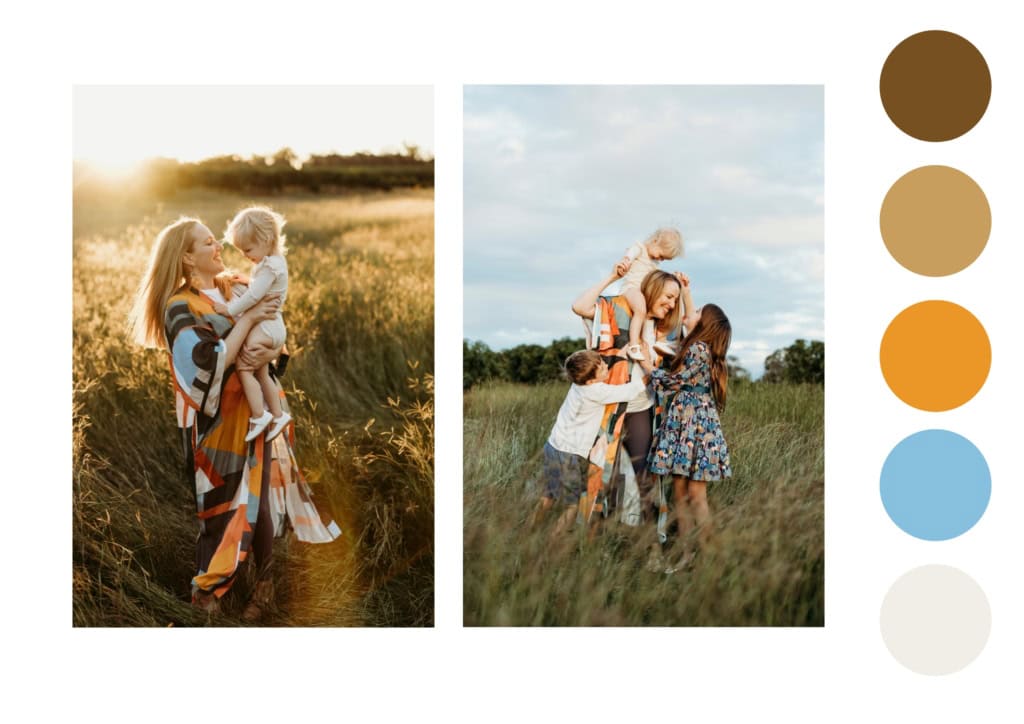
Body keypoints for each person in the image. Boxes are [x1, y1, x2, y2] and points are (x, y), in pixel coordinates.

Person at [128, 216, 340, 621]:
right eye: (207, 243)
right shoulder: (180, 307)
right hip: (218, 424)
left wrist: (267, 346)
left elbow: (272, 333)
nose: (218, 246)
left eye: (214, 239)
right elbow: (205, 363)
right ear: (187, 258)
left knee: (261, 505)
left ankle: (264, 587)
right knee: (219, 507)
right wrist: (247, 320)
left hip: (261, 410)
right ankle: (210, 593)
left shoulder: (237, 284)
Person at [570, 264, 698, 522]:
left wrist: (685, 293)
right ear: (652, 290)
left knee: (645, 475)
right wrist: (613, 278)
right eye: (668, 297)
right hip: (608, 409)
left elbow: (693, 332)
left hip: (640, 409)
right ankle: (600, 539)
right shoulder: (619, 312)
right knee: (604, 474)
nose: (672, 305)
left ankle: (650, 543)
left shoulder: (666, 329)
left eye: (675, 299)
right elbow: (580, 307)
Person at [646, 303, 732, 572]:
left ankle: (707, 556)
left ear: (703, 324)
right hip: (694, 426)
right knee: (684, 495)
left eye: (698, 313)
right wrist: (684, 289)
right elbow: (689, 317)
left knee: (692, 497)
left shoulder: (697, 349)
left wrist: (646, 366)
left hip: (690, 426)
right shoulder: (703, 349)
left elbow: (674, 381)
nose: (691, 313)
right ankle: (690, 557)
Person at [536, 349, 647, 534]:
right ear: (591, 380)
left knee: (548, 495)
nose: (606, 367)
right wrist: (649, 375)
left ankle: (529, 530)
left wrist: (621, 352)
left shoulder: (578, 384)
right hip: (567, 453)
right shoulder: (596, 391)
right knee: (572, 506)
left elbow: (601, 369)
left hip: (552, 446)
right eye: (602, 367)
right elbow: (628, 391)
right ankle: (551, 547)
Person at [212, 206, 292, 443]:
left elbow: (254, 297)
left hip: (266, 327)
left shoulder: (268, 266)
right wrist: (250, 279)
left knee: (245, 367)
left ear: (266, 239)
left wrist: (229, 310)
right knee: (262, 371)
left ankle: (259, 415)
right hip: (275, 328)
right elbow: (262, 285)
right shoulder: (276, 262)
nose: (246, 256)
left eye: (247, 249)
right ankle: (278, 415)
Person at [617, 228, 684, 361]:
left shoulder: (655, 263)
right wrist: (626, 261)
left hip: (642, 293)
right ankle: (634, 345)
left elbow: (659, 280)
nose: (660, 259)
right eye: (661, 255)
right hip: (631, 289)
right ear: (654, 241)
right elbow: (630, 255)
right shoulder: (640, 248)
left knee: (654, 315)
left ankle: (660, 341)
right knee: (641, 310)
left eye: (664, 258)